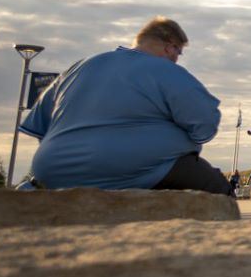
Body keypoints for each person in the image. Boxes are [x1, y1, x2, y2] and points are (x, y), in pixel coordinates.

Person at [17, 17, 230, 194]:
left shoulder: (80, 67)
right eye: (178, 52)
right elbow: (205, 124)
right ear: (170, 46)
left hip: (54, 171)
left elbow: (38, 125)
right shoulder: (165, 70)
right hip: (135, 169)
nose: (176, 59)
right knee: (218, 189)